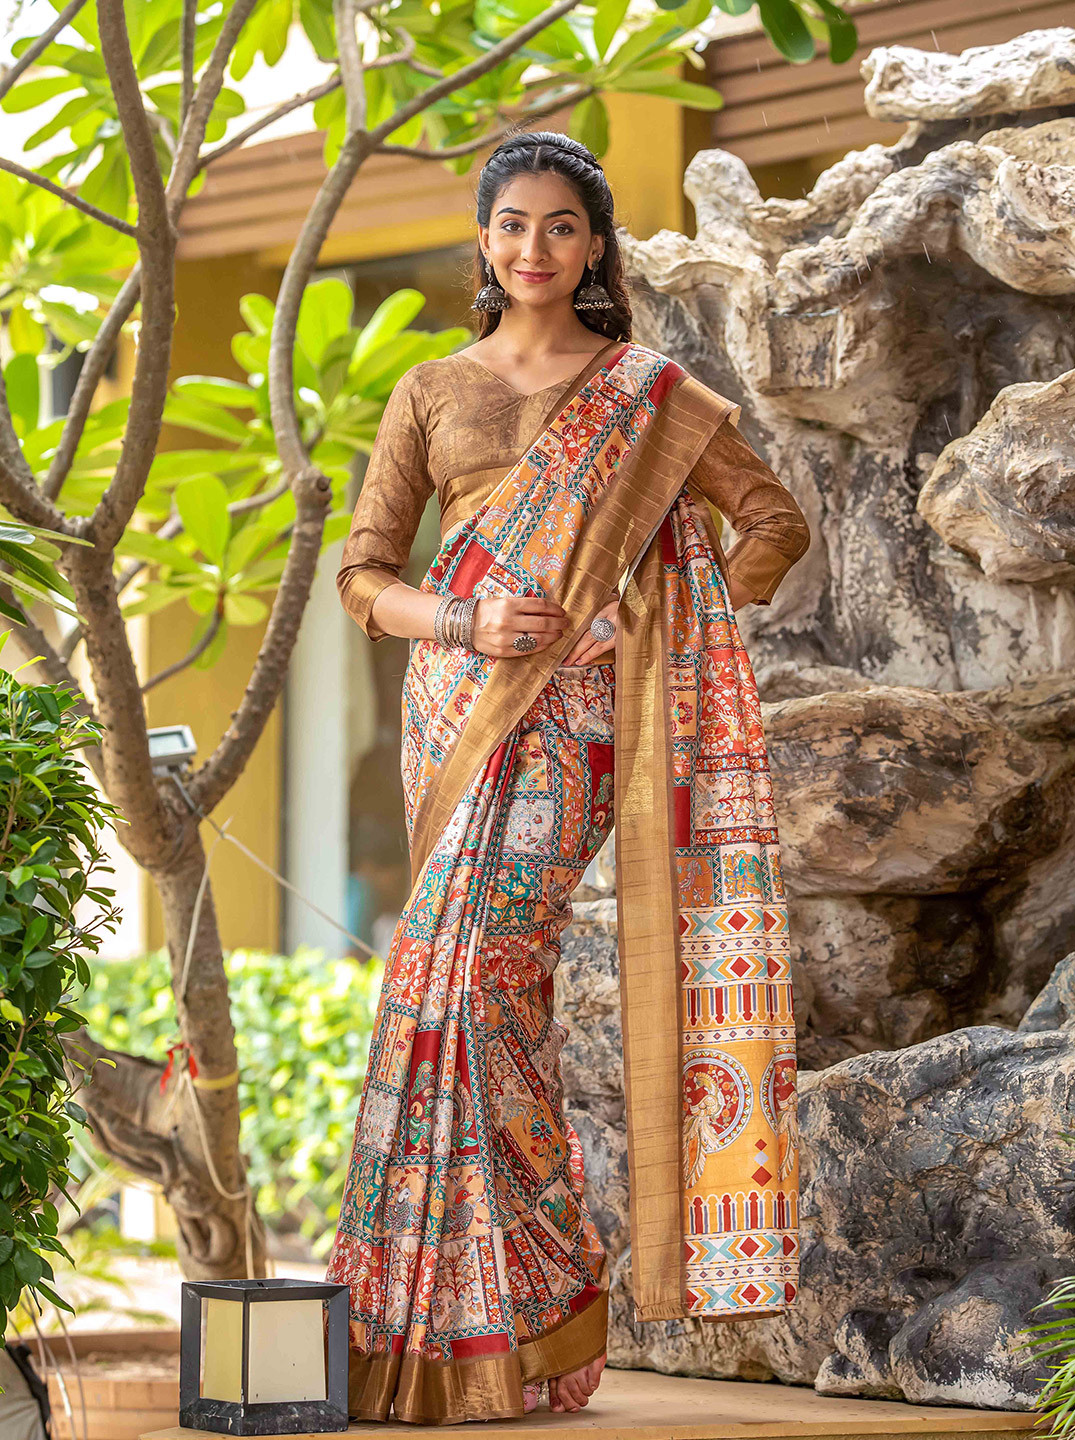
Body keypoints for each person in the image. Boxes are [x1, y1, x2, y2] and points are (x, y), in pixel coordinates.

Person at [325, 129, 811, 1427]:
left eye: (560, 226)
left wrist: (650, 620)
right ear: (483, 241)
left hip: (584, 718)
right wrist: (464, 621)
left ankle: (531, 1296)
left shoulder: (650, 393)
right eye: (512, 224)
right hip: (454, 705)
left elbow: (774, 522)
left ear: (594, 247)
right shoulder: (431, 390)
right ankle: (486, 1327)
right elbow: (363, 578)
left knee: (487, 976)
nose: (533, 248)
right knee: (441, 992)